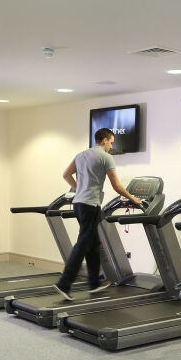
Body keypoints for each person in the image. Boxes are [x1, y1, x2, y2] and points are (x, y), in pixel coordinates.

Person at [54, 128, 142, 300]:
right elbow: (116, 186)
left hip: (79, 203)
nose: (111, 146)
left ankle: (94, 283)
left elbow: (66, 175)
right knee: (83, 244)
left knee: (93, 243)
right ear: (104, 140)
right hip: (90, 205)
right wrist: (133, 198)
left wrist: (79, 188)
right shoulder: (105, 157)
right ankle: (64, 283)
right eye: (111, 142)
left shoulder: (81, 155)